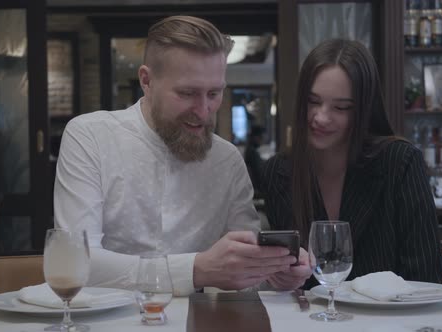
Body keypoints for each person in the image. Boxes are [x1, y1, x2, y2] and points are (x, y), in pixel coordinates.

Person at [53, 15, 312, 296]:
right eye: (187, 93)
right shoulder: (90, 137)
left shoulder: (227, 160)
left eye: (214, 93)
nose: (203, 111)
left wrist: (274, 274)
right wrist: (195, 270)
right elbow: (77, 262)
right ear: (146, 81)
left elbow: (242, 272)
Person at [261, 39, 442, 289]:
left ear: (364, 111)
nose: (321, 117)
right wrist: (279, 277)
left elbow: (427, 277)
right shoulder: (279, 172)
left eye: (341, 107)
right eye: (313, 101)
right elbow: (288, 285)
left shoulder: (399, 163)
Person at [244, 125, 266, 195]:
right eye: (261, 137)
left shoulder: (250, 150)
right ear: (255, 137)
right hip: (257, 189)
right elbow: (260, 173)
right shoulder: (252, 153)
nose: (262, 140)